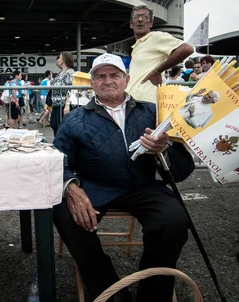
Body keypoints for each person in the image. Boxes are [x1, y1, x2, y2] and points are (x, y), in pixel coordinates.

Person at [53, 53, 194, 302]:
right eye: (101, 76)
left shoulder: (153, 113)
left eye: (114, 75)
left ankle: (153, 295)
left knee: (174, 221)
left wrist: (164, 149)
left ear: (126, 79)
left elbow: (182, 170)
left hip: (143, 186)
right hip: (94, 187)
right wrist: (71, 187)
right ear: (92, 83)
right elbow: (57, 160)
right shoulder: (74, 119)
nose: (108, 80)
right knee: (65, 214)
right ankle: (112, 294)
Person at [126, 4, 194, 103]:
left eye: (145, 17)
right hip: (133, 103)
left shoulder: (155, 37)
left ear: (150, 23)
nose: (140, 19)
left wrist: (157, 71)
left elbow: (186, 49)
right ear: (131, 24)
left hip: (147, 104)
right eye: (136, 17)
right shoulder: (137, 46)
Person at [50, 51, 75, 135]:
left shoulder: (70, 73)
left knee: (62, 128)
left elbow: (70, 89)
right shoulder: (59, 73)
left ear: (64, 59)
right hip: (56, 104)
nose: (57, 60)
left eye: (59, 58)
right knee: (54, 125)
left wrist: (67, 105)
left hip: (63, 104)